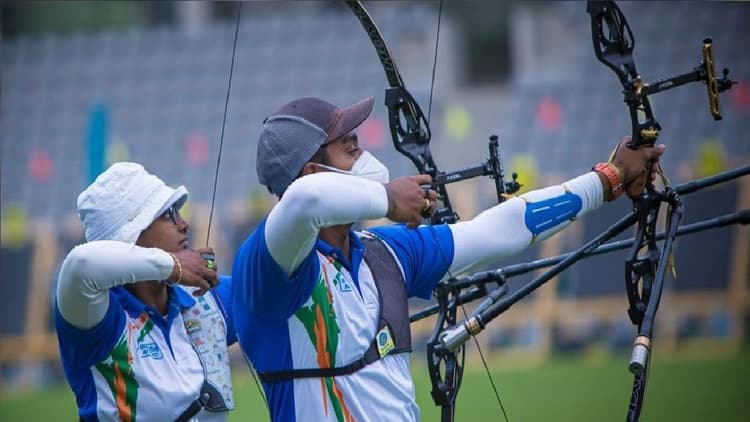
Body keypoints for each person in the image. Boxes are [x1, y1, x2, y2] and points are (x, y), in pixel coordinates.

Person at [231, 96, 665, 421]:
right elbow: (305, 201)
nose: (364, 157)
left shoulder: (384, 252)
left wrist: (606, 180)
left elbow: (498, 229)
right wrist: (388, 199)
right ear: (312, 171)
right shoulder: (268, 270)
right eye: (349, 149)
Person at [54, 162, 236, 422]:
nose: (184, 224)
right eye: (168, 214)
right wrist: (173, 265)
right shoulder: (99, 319)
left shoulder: (203, 298)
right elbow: (79, 264)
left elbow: (274, 278)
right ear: (132, 235)